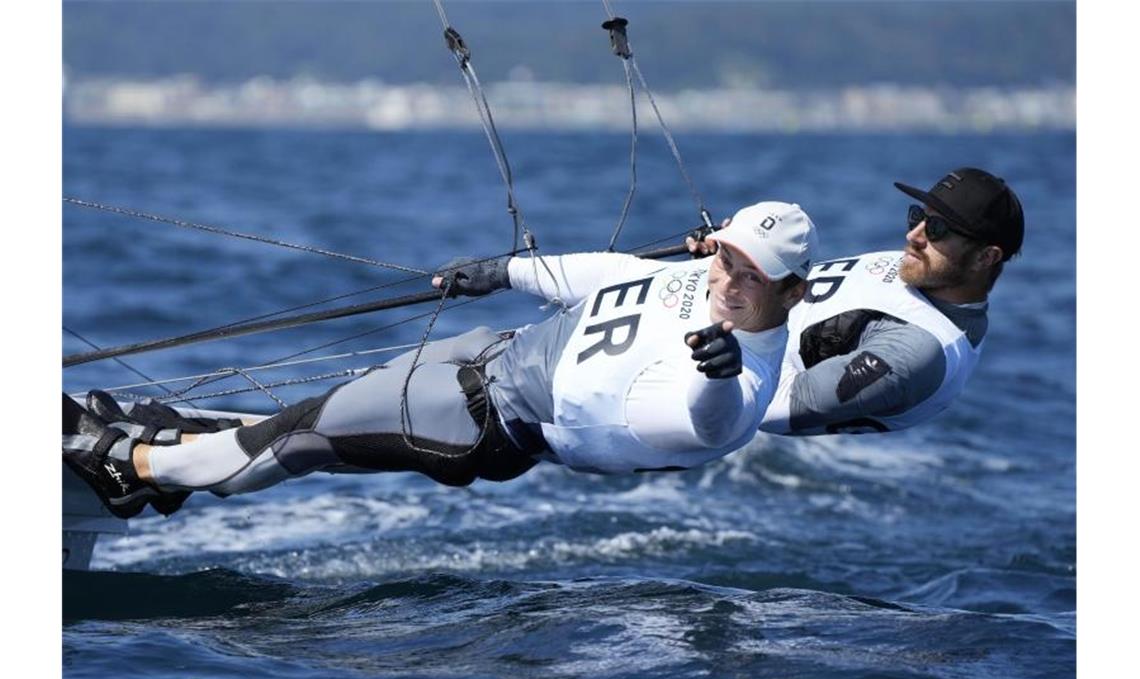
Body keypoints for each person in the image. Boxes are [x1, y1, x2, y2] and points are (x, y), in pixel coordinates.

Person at [63, 200, 819, 518]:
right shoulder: (702, 274)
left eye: (752, 278)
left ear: (792, 289)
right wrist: (503, 274)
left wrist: (714, 375)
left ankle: (134, 472)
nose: (729, 283)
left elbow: (705, 425)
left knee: (308, 436)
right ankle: (182, 454)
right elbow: (614, 276)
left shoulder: (740, 381)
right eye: (726, 259)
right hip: (489, 355)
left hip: (490, 422)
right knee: (318, 422)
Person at [748, 167, 1024, 435]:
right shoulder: (922, 268)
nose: (914, 236)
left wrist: (739, 326)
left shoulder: (919, 351)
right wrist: (732, 251)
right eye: (918, 217)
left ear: (985, 258)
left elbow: (769, 410)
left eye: (938, 228)